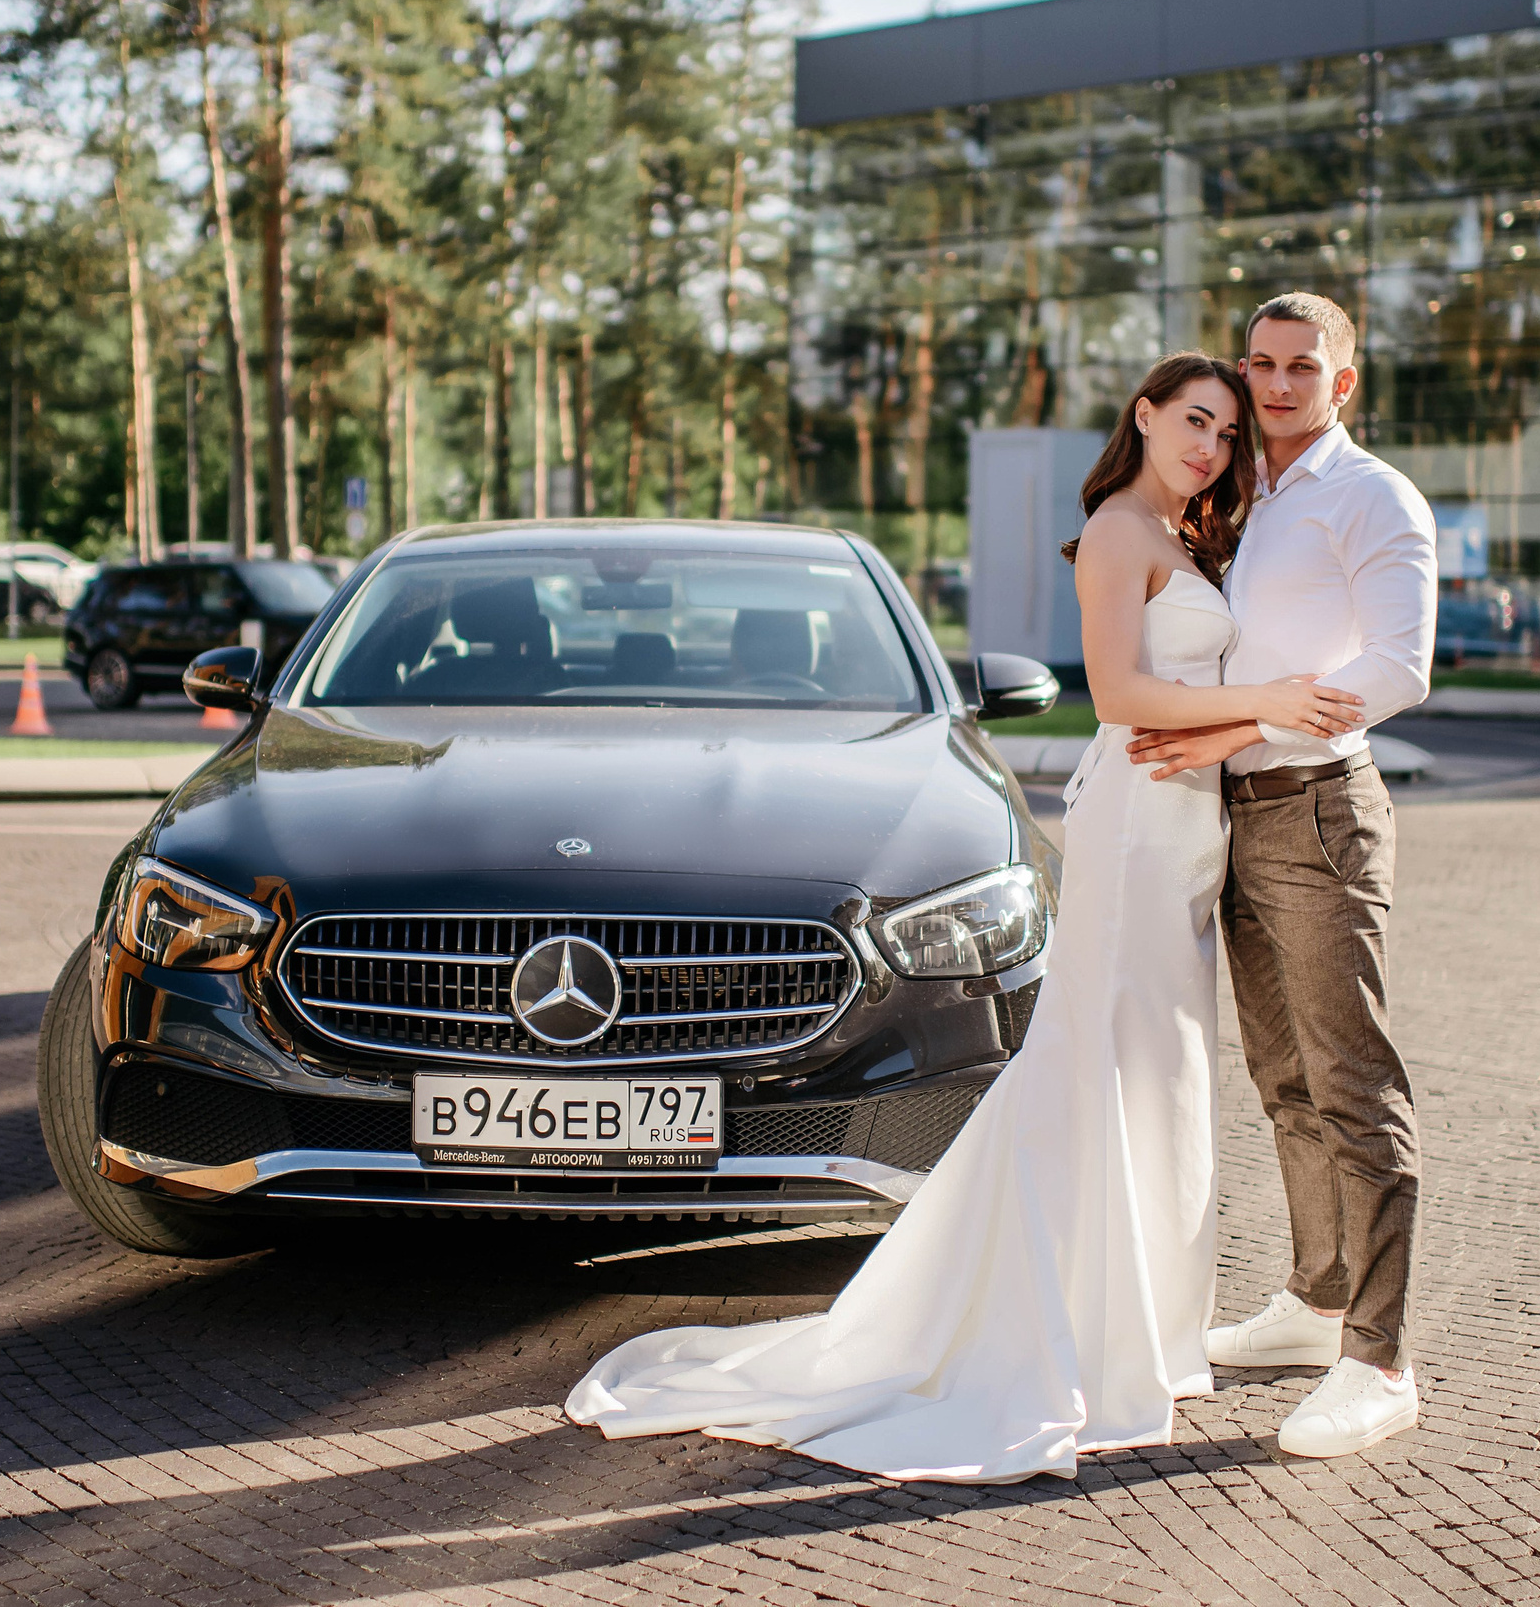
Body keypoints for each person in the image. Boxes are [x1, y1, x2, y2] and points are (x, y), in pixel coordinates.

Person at [565, 352, 1367, 1483]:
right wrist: (1269, 701)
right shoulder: (1117, 533)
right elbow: (1121, 697)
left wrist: (1239, 724)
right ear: (1142, 416)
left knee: (1160, 1074)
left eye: (1229, 434)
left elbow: (1185, 694)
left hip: (1186, 834)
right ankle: (1081, 1339)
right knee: (1110, 1066)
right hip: (1136, 831)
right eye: (1195, 421)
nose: (1211, 447)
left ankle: (1140, 1333)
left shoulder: (1186, 538)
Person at [1128, 292, 1438, 1459]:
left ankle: (1380, 1358)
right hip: (1234, 819)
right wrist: (1218, 742)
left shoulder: (1372, 496)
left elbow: (1397, 666)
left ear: (1344, 383)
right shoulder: (1234, 492)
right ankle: (1314, 1303)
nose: (1273, 384)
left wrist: (1238, 730)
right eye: (1259, 363)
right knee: (1283, 1079)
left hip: (1318, 814)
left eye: (1301, 367)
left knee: (1355, 1087)